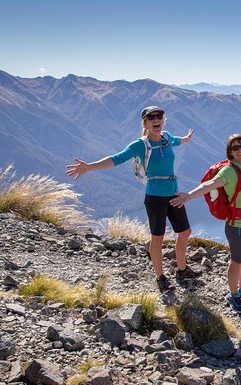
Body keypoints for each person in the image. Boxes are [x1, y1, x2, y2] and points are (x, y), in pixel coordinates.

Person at [66, 106, 195, 293]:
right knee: (157, 238)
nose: (156, 119)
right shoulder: (140, 145)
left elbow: (178, 141)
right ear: (145, 123)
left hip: (173, 193)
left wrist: (187, 139)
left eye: (159, 116)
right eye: (151, 117)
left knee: (185, 231)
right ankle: (160, 277)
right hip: (155, 196)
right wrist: (89, 167)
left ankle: (182, 269)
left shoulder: (167, 137)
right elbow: (117, 158)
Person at [170, 134, 241, 312]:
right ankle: (233, 295)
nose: (240, 150)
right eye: (235, 148)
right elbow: (209, 185)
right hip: (238, 225)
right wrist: (189, 196)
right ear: (230, 153)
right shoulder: (229, 171)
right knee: (237, 260)